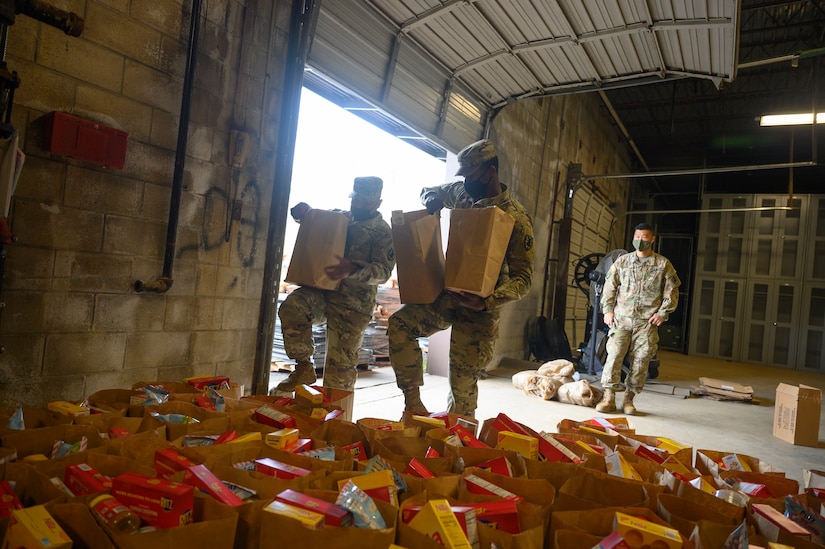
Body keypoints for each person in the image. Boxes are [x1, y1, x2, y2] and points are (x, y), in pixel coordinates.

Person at [388, 139, 534, 417]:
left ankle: (458, 440)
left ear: (490, 172)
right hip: (447, 295)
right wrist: (430, 198)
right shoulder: (463, 195)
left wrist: (488, 301)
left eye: (471, 175)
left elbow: (524, 278)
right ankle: (413, 405)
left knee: (462, 386)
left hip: (481, 310)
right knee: (400, 324)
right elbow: (431, 190)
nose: (465, 181)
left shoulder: (516, 217)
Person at [275, 176, 395, 393]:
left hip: (353, 306)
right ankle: (303, 367)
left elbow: (383, 272)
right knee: (293, 307)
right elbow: (318, 221)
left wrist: (353, 270)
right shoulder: (342, 218)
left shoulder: (383, 233)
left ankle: (336, 420)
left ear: (378, 203)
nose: (357, 205)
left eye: (364, 203)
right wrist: (305, 213)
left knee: (339, 373)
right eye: (355, 200)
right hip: (323, 296)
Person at [595, 223, 681, 415]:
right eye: (637, 236)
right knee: (614, 355)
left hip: (646, 323)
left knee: (641, 361)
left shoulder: (662, 264)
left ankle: (628, 399)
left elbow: (672, 292)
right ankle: (608, 397)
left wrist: (663, 313)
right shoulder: (622, 262)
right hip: (621, 319)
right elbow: (609, 287)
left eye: (644, 237)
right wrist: (607, 311)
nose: (640, 241)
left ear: (652, 239)